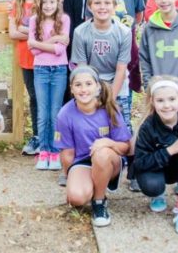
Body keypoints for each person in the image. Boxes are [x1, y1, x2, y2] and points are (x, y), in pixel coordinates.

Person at [55, 66, 132, 227]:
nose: (83, 89)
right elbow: (68, 153)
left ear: (97, 86)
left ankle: (99, 201)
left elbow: (127, 147)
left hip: (110, 160)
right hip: (83, 161)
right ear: (72, 89)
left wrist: (108, 143)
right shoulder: (65, 114)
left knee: (101, 154)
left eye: (88, 84)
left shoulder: (110, 108)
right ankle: (93, 183)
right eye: (78, 85)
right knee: (76, 198)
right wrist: (72, 179)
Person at [133, 76, 178, 235]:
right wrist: (171, 149)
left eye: (171, 99)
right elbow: (139, 163)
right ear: (153, 102)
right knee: (153, 186)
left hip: (177, 167)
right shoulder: (148, 126)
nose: (167, 105)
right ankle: (158, 194)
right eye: (160, 100)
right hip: (155, 169)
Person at [70, 0, 131, 129]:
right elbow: (83, 70)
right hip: (92, 84)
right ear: (90, 6)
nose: (102, 7)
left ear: (114, 6)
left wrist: (110, 98)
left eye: (107, 3)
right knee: (93, 125)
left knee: (122, 126)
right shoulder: (80, 32)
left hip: (117, 84)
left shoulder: (124, 32)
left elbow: (121, 69)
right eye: (97, 3)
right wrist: (93, 94)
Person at [28, 0, 70, 171]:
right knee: (43, 113)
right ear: (39, 3)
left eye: (52, 2)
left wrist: (39, 43)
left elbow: (60, 50)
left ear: (57, 3)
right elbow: (34, 50)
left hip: (59, 69)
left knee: (55, 113)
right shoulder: (34, 20)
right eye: (45, 2)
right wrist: (54, 40)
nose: (48, 5)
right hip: (41, 70)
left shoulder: (64, 19)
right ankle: (43, 152)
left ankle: (54, 152)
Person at [8, 0, 45, 155]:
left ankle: (48, 137)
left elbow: (44, 33)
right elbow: (13, 33)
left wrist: (26, 30)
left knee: (45, 98)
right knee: (34, 98)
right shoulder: (17, 4)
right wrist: (32, 31)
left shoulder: (44, 1)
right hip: (26, 59)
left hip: (44, 59)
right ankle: (37, 136)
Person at [101, 0, 144, 95]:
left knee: (128, 72)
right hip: (104, 39)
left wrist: (133, 27)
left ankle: (127, 104)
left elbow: (139, 14)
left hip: (126, 38)